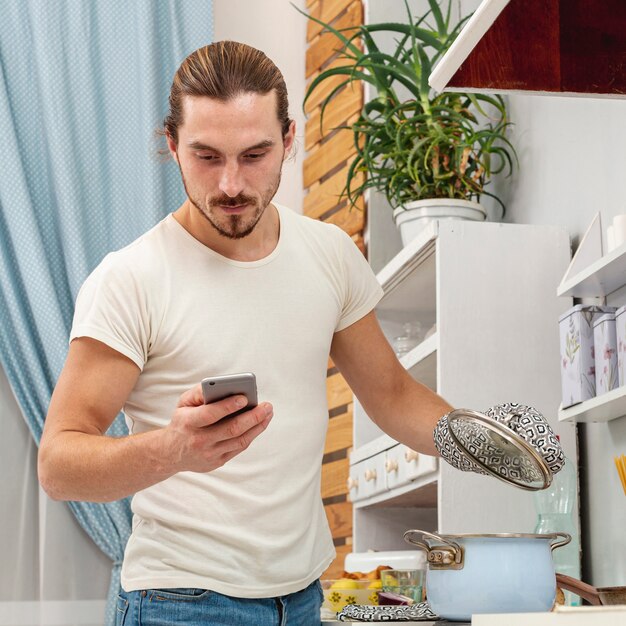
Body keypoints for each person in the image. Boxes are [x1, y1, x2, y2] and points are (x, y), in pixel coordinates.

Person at [38, 41, 453, 626]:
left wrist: (487, 442)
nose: (231, 185)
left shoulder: (330, 255)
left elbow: (394, 396)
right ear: (171, 145)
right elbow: (58, 463)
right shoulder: (130, 278)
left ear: (289, 139)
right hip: (176, 604)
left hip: (303, 600)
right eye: (206, 157)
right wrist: (173, 450)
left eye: (255, 154)